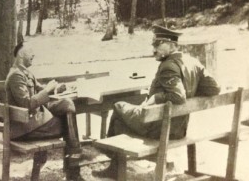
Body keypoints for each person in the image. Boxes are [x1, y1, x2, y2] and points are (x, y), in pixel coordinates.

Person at [93, 25, 221, 179]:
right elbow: (215, 88)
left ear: (173, 45)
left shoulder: (169, 66)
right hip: (180, 127)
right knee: (122, 119)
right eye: (153, 44)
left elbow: (178, 97)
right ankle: (115, 162)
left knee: (118, 107)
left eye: (158, 44)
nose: (154, 49)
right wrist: (191, 91)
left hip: (161, 128)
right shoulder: (192, 61)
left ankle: (113, 160)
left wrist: (156, 98)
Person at [5, 42, 83, 181]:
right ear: (21, 54)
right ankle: (74, 168)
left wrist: (57, 88)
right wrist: (47, 90)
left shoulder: (25, 73)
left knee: (68, 105)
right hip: (24, 129)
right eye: (31, 52)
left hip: (32, 123)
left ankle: (73, 166)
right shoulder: (16, 76)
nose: (33, 55)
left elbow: (41, 89)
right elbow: (27, 103)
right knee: (68, 125)